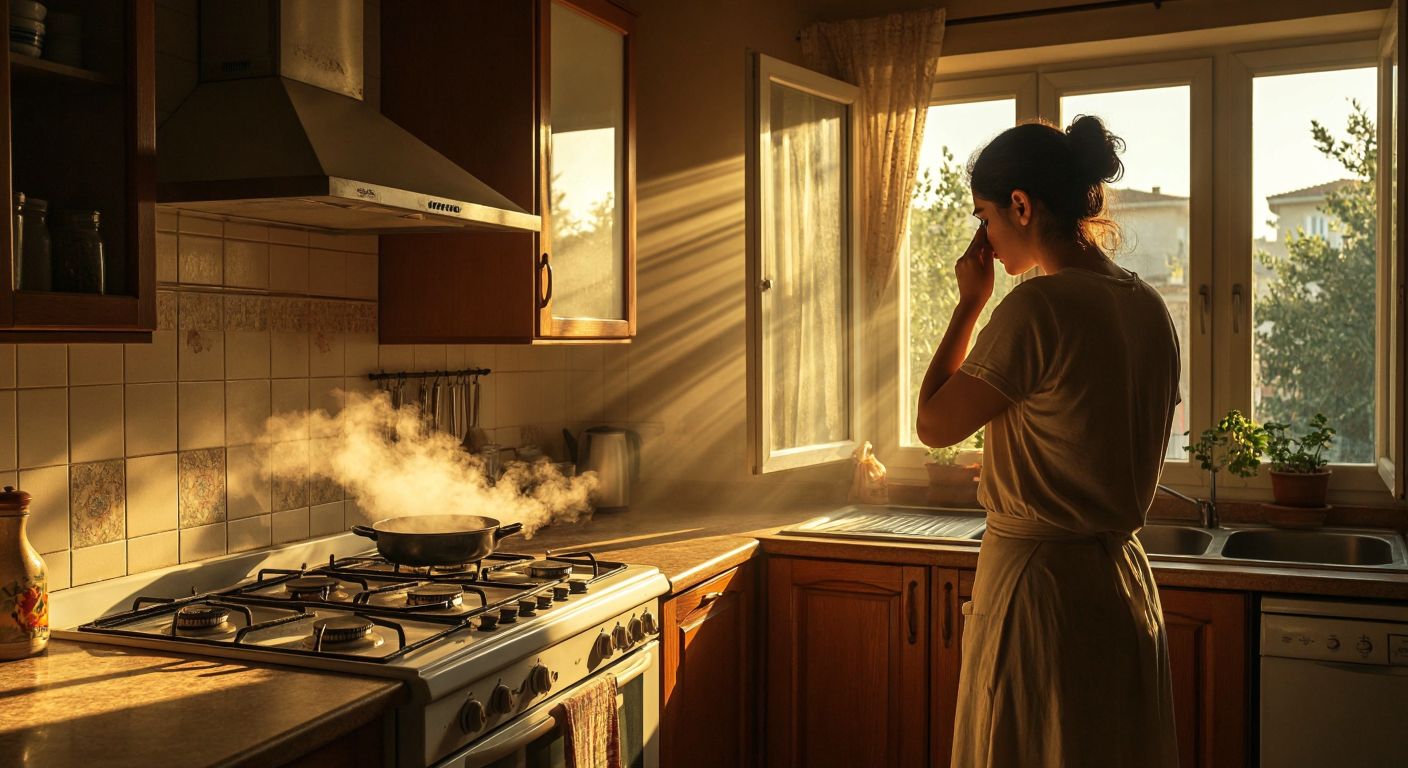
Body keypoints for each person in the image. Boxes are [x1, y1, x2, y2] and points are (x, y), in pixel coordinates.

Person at [915, 115, 1181, 768]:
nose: (985, 238)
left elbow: (933, 425)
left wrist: (968, 304)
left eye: (986, 216)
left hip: (1040, 595)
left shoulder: (1037, 309)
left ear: (1022, 206)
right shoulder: (1147, 306)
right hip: (1120, 588)